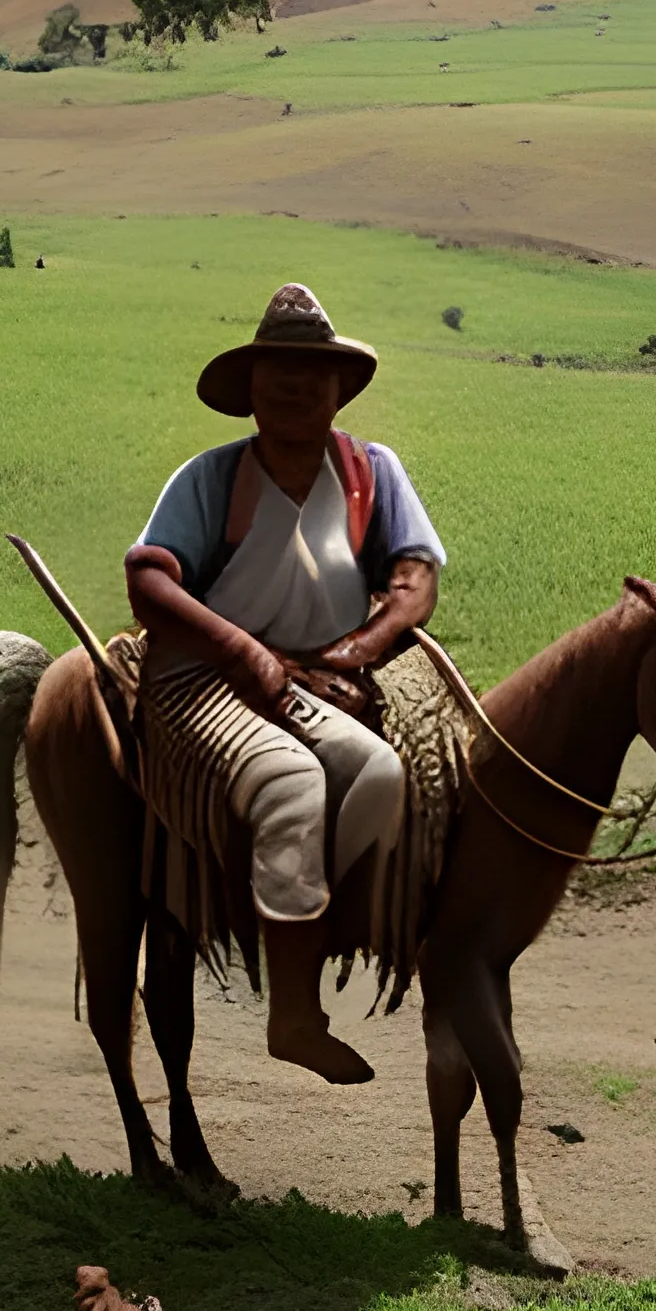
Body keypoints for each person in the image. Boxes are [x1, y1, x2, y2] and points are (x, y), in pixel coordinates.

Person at [126, 285, 446, 1083]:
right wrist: (241, 651)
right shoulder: (211, 479)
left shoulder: (373, 473)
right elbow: (149, 579)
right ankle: (295, 1013)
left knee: (379, 773)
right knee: (293, 782)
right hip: (204, 676)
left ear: (339, 388)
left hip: (310, 673)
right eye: (279, 371)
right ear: (252, 389)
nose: (296, 386)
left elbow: (413, 580)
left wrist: (353, 653)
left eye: (314, 372)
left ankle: (293, 909)